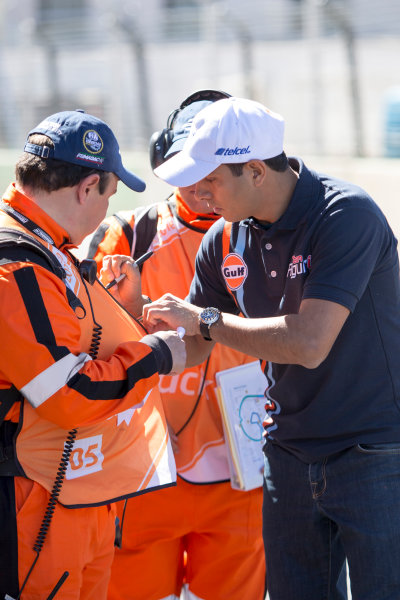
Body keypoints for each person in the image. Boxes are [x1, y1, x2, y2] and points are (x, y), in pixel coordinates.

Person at [139, 96, 400, 600]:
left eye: (210, 180)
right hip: (285, 454)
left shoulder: (346, 214)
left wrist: (207, 321)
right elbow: (194, 343)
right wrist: (131, 339)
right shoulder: (223, 238)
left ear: (255, 171)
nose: (197, 192)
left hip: (373, 454)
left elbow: (307, 343)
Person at [86, 90, 266, 600]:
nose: (207, 182)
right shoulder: (128, 234)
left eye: (217, 165)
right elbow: (90, 349)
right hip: (144, 473)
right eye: (194, 164)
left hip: (243, 472)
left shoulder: (272, 234)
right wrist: (128, 306)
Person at [0, 109, 185, 600]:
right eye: (109, 194)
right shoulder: (15, 265)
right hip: (34, 504)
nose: (107, 210)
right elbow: (68, 393)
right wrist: (156, 354)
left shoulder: (48, 249)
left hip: (74, 493)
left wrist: (123, 314)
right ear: (87, 188)